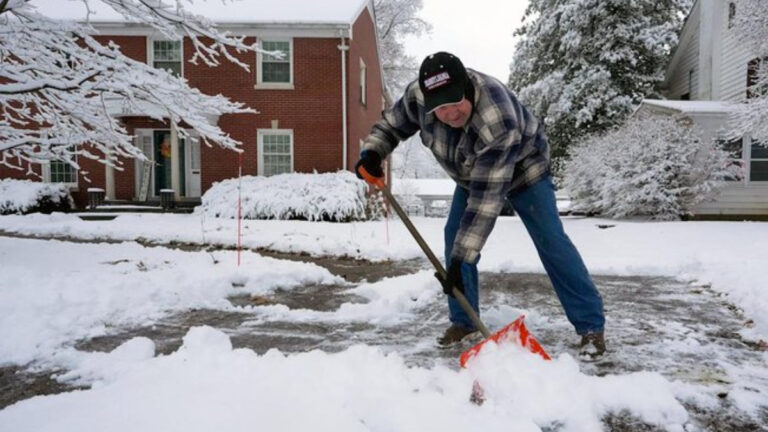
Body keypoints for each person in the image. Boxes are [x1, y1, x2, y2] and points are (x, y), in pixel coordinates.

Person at [355, 52, 606, 359]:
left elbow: (486, 203)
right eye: (441, 107)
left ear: (467, 85)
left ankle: (590, 326)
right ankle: (464, 321)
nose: (449, 113)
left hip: (526, 171)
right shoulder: (418, 97)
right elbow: (392, 126)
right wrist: (373, 152)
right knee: (453, 237)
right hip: (473, 173)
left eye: (455, 102)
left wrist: (462, 259)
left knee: (551, 241)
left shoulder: (496, 117)